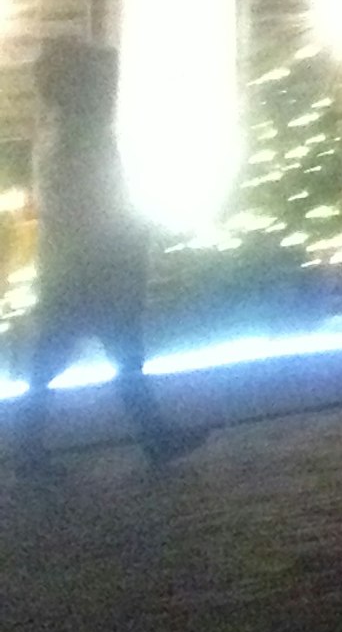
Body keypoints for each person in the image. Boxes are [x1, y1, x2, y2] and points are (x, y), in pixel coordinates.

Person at [13, 38, 201, 475]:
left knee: (83, 353)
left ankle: (150, 436)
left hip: (72, 263)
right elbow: (94, 202)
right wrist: (129, 233)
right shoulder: (79, 136)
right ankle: (149, 438)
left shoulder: (62, 130)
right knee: (86, 353)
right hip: (90, 264)